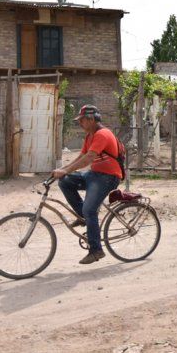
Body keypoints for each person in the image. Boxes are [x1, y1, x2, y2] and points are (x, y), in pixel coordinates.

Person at [51, 105, 122, 264]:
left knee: (89, 209)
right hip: (94, 175)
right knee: (65, 181)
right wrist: (63, 170)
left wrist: (66, 169)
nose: (80, 124)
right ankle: (84, 218)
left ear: (91, 119)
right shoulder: (89, 136)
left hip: (108, 177)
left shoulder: (102, 134)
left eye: (82, 120)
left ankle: (96, 250)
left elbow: (89, 158)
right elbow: (81, 156)